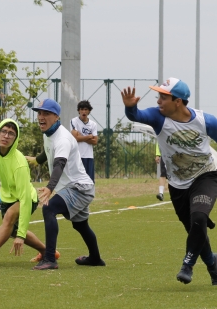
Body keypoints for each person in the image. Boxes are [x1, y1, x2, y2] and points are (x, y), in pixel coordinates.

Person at [122, 78, 217, 285]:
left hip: (206, 175)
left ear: (178, 101)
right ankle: (213, 265)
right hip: (177, 184)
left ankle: (187, 265)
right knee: (194, 228)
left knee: (199, 217)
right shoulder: (158, 118)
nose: (158, 101)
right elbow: (137, 115)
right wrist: (130, 108)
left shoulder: (205, 121)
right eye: (158, 96)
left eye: (163, 97)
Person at [26, 99, 104, 270]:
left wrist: (50, 187)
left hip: (79, 188)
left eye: (46, 113)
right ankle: (95, 258)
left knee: (49, 209)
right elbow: (48, 152)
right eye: (39, 113)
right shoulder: (49, 132)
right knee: (80, 224)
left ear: (56, 116)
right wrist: (35, 160)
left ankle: (50, 259)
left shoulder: (63, 138)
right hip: (78, 186)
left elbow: (59, 163)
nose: (41, 117)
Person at [0, 119, 56, 268]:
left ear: (15, 138)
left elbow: (25, 199)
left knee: (10, 219)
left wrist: (21, 236)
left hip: (27, 198)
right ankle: (48, 251)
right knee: (11, 230)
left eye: (11, 133)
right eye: (3, 131)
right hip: (7, 197)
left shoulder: (19, 164)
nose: (6, 136)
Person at [70, 100, 98, 182]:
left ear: (89, 111)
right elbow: (75, 138)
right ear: (78, 110)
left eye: (86, 109)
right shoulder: (74, 121)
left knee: (89, 181)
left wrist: (81, 137)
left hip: (89, 156)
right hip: (77, 156)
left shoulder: (93, 124)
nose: (83, 111)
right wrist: (89, 137)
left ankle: (89, 195)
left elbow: (95, 141)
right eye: (81, 109)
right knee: (77, 180)